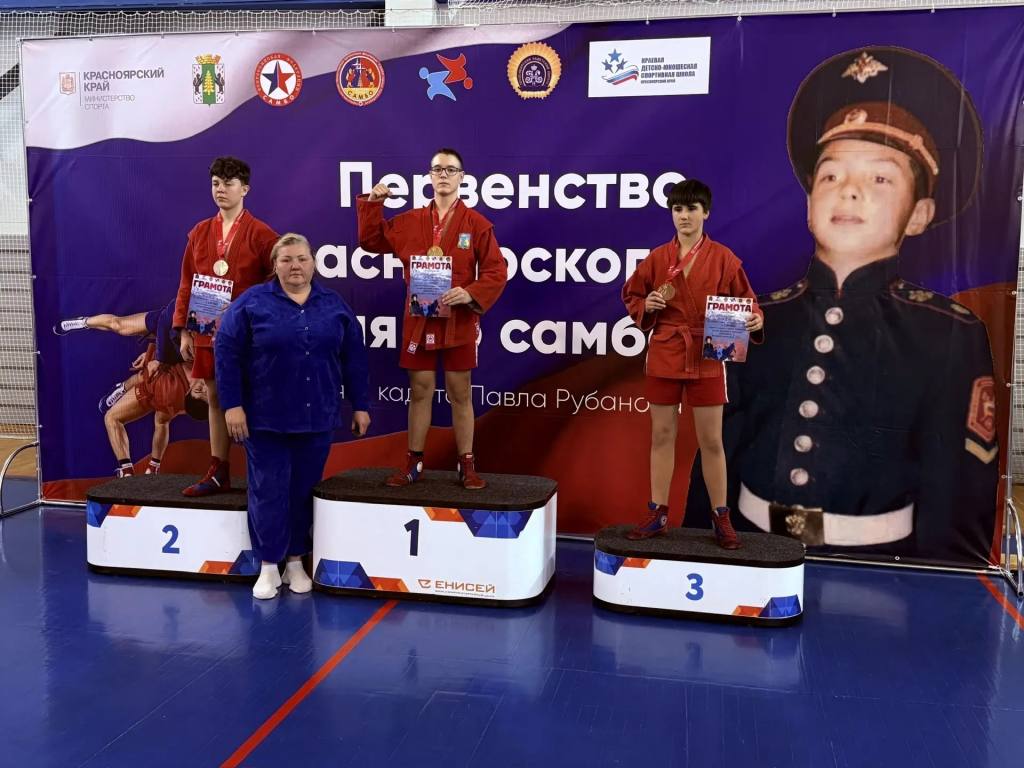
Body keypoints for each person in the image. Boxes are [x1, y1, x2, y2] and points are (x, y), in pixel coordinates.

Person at [687, 46, 997, 566]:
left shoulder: (952, 333)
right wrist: (695, 554)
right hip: (748, 554)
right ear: (808, 204)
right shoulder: (733, 316)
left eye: (880, 178)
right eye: (830, 176)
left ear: (919, 214)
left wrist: (942, 591)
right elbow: (713, 447)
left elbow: (958, 494)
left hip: (878, 570)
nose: (848, 192)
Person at [215, 233, 371, 600]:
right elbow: (226, 352)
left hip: (318, 417)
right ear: (275, 266)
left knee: (303, 490)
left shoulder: (334, 305)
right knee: (268, 490)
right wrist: (232, 405)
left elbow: (354, 357)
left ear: (314, 263)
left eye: (301, 259)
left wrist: (361, 405)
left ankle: (297, 561)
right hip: (264, 420)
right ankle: (269, 565)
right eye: (286, 260)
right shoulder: (251, 303)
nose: (295, 266)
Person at [622, 179, 763, 548]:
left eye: (691, 209)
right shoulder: (657, 258)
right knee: (662, 435)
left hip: (709, 352)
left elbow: (748, 301)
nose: (684, 216)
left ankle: (720, 516)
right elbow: (633, 294)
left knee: (712, 440)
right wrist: (647, 305)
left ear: (706, 212)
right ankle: (658, 513)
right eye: (678, 209)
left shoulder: (724, 258)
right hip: (666, 350)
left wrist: (755, 319)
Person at [357, 148, 507, 489]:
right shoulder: (410, 220)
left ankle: (466, 464)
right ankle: (414, 463)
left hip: (459, 320)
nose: (443, 175)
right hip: (420, 318)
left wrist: (470, 293)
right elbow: (371, 241)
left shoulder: (477, 224)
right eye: (438, 169)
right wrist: (373, 204)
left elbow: (496, 271)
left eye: (451, 170)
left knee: (460, 392)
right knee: (420, 389)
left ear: (462, 177)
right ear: (429, 175)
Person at [172, 156, 279, 497]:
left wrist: (253, 309)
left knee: (254, 397)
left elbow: (278, 283)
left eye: (228, 184)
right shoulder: (199, 232)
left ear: (244, 189)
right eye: (215, 183)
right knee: (216, 397)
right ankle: (218, 469)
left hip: (248, 333)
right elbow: (186, 282)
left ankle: (263, 471)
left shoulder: (263, 234)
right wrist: (183, 329)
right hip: (206, 328)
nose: (220, 189)